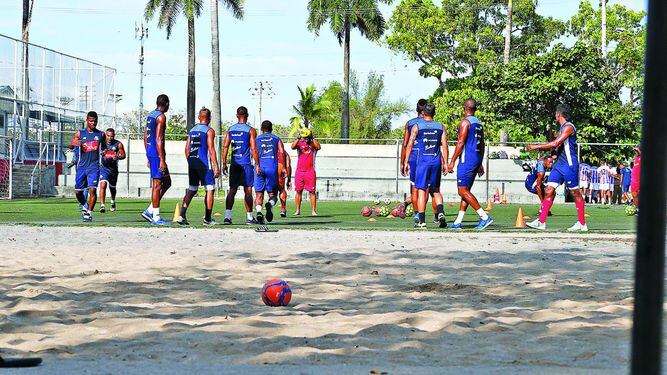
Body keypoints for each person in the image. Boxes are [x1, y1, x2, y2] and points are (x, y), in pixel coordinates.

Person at [526, 103, 588, 231]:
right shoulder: (561, 128)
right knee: (549, 190)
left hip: (569, 165)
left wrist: (535, 146)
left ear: (558, 114)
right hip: (559, 165)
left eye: (555, 113)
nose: (555, 115)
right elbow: (558, 147)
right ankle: (541, 221)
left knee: (575, 192)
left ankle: (582, 223)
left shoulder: (569, 127)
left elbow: (556, 143)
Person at [446, 99, 493, 230]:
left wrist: (451, 161)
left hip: (466, 161)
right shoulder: (478, 123)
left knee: (462, 191)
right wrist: (480, 162)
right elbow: (482, 145)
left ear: (464, 108)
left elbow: (460, 143)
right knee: (466, 191)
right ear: (475, 109)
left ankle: (484, 217)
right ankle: (458, 222)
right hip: (475, 160)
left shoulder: (465, 123)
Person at [403, 103, 449, 229]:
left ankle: (422, 221)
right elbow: (444, 146)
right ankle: (440, 212)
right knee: (436, 190)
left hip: (422, 162)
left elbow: (410, 144)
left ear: (423, 113)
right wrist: (445, 162)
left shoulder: (417, 126)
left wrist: (406, 162)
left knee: (422, 190)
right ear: (434, 113)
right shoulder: (441, 127)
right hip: (436, 162)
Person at [176, 107, 221, 226]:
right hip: (205, 165)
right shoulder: (209, 131)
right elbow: (211, 149)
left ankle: (182, 215)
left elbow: (186, 149)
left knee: (192, 189)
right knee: (210, 189)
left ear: (199, 117)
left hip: (193, 164)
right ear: (210, 118)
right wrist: (216, 166)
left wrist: (190, 162)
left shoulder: (192, 130)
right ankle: (207, 219)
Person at [400, 99, 438, 222]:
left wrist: (402, 162)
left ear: (416, 109)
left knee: (416, 189)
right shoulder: (433, 123)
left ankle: (418, 215)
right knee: (431, 190)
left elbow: (405, 144)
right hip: (428, 158)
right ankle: (435, 216)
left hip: (413, 158)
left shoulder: (410, 123)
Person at [222, 106, 258, 225]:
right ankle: (249, 218)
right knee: (248, 190)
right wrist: (257, 164)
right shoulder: (251, 130)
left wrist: (224, 163)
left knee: (232, 190)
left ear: (237, 116)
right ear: (247, 116)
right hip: (246, 164)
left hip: (234, 164)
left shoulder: (231, 129)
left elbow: (226, 147)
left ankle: (227, 217)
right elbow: (253, 148)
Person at [142, 94, 172, 226]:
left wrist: (148, 155)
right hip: (157, 154)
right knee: (157, 184)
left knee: (167, 181)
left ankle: (150, 210)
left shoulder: (150, 115)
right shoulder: (161, 117)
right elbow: (158, 139)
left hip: (152, 152)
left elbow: (145, 136)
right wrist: (161, 159)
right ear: (166, 104)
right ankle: (156, 217)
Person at [70, 111, 104, 222]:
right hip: (81, 167)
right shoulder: (80, 133)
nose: (93, 123)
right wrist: (75, 143)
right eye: (91, 121)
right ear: (87, 121)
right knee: (78, 191)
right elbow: (71, 145)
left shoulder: (100, 134)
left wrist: (105, 152)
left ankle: (88, 214)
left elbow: (104, 147)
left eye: (95, 121)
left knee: (92, 190)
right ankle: (84, 204)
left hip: (94, 167)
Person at [253, 120, 286, 224]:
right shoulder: (276, 138)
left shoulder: (256, 139)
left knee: (259, 194)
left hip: (259, 168)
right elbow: (281, 152)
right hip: (272, 168)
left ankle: (258, 211)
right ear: (271, 129)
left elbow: (253, 152)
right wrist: (284, 167)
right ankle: (269, 204)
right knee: (273, 195)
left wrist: (257, 165)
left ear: (262, 129)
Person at [291, 128, 321, 216]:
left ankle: (313, 211)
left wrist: (312, 137)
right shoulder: (299, 143)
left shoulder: (313, 144)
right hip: (299, 172)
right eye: (306, 137)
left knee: (312, 192)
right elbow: (292, 147)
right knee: (298, 191)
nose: (306, 139)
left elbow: (318, 147)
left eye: (308, 137)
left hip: (310, 171)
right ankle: (297, 210)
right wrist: (298, 138)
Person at [99, 128, 126, 213]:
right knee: (103, 185)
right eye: (108, 136)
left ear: (114, 136)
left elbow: (123, 155)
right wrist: (101, 152)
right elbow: (96, 151)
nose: (109, 138)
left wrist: (117, 157)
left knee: (112, 188)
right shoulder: (101, 143)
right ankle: (102, 206)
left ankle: (113, 201)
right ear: (105, 135)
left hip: (113, 169)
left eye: (111, 136)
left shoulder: (118, 144)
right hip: (103, 167)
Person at [277, 150, 292, 218]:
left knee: (270, 191)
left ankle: (270, 204)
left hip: (268, 169)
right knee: (281, 189)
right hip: (280, 168)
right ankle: (283, 209)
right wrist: (289, 179)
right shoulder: (284, 153)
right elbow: (288, 166)